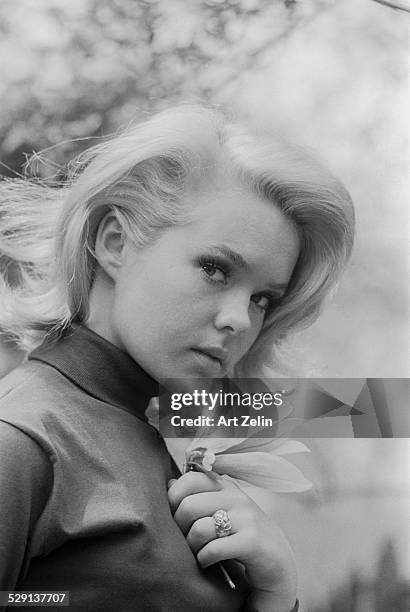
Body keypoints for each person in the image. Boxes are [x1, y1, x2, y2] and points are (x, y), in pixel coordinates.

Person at [0, 105, 354, 612]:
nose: (240, 320)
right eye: (215, 269)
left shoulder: (162, 419)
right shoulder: (24, 439)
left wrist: (276, 593)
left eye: (263, 299)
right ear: (115, 242)